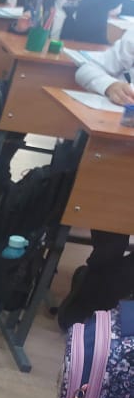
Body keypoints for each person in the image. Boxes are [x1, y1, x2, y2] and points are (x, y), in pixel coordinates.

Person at [61, 29, 134, 327]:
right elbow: (86, 66)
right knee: (111, 236)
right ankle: (94, 295)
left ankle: (98, 289)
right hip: (125, 161)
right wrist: (109, 85)